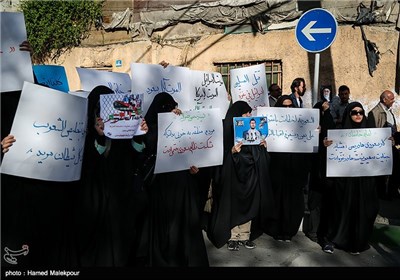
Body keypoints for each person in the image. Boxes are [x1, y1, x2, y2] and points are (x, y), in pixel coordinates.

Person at [1, 41, 79, 268]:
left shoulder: (27, 93)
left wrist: (25, 62)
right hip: (7, 190)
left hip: (35, 178)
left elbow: (38, 101)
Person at [76, 85, 149, 267]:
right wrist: (100, 137)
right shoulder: (83, 130)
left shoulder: (123, 125)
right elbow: (89, 161)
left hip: (122, 193)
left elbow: (136, 154)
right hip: (95, 196)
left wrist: (139, 134)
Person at [143, 92, 209, 267]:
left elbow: (192, 148)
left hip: (182, 184)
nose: (171, 110)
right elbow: (144, 151)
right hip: (160, 186)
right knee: (163, 227)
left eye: (172, 107)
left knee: (183, 225)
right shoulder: (147, 127)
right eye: (167, 108)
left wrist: (195, 170)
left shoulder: (182, 123)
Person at [207, 100, 276, 251]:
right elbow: (218, 154)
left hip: (251, 174)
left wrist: (263, 147)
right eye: (246, 113)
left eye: (250, 113)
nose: (249, 116)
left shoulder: (255, 131)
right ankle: (233, 236)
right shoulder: (226, 129)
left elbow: (261, 156)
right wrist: (231, 152)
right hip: (233, 174)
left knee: (250, 203)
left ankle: (245, 235)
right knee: (233, 203)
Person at [323, 101, 381, 255]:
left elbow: (380, 153)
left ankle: (357, 242)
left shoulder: (371, 132)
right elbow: (329, 155)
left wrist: (388, 144)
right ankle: (335, 239)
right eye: (354, 112)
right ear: (348, 114)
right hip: (345, 181)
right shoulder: (339, 132)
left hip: (365, 181)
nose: (358, 115)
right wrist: (326, 145)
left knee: (363, 210)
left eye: (360, 112)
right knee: (340, 209)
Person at [264, 95, 311, 242]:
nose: (287, 109)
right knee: (277, 200)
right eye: (284, 106)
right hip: (277, 169)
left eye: (290, 106)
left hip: (295, 170)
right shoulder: (271, 123)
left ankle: (290, 230)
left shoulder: (301, 123)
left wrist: (314, 132)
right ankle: (276, 229)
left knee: (294, 201)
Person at [303, 98, 336, 248]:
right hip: (315, 172)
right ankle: (313, 231)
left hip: (329, 173)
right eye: (322, 111)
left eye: (327, 111)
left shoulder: (330, 127)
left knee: (327, 203)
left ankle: (322, 232)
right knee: (315, 203)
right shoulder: (309, 128)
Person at [367, 90, 399, 200]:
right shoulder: (374, 113)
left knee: (395, 170)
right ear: (384, 100)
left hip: (391, 146)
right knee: (381, 174)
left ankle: (391, 193)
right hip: (381, 149)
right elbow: (373, 133)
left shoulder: (388, 111)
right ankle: (381, 195)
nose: (393, 101)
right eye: (391, 99)